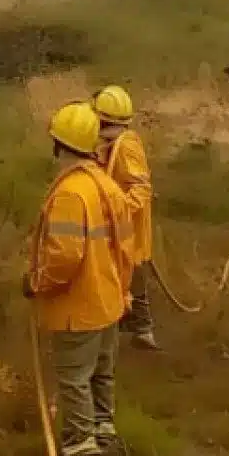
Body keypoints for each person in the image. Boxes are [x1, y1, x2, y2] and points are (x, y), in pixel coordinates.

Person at [25, 101, 134, 456]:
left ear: (60, 144)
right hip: (109, 302)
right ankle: (103, 432)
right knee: (101, 373)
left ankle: (81, 448)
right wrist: (123, 292)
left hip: (79, 307)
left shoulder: (72, 194)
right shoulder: (107, 186)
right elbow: (127, 250)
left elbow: (64, 258)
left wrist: (37, 283)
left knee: (74, 378)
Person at [93, 85, 156, 350]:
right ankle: (124, 325)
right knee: (120, 278)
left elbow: (141, 188)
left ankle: (143, 332)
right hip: (119, 231)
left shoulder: (126, 146)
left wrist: (116, 210)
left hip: (129, 231)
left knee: (134, 278)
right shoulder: (111, 145)